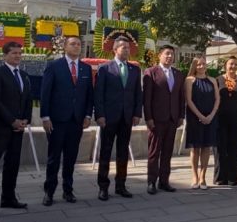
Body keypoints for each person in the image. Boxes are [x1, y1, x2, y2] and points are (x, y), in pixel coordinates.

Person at [0, 41, 32, 216]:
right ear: (5, 56)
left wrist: (25, 119)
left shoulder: (24, 75)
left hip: (18, 129)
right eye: (13, 53)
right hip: (0, 128)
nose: (17, 56)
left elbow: (27, 100)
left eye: (19, 53)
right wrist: (12, 121)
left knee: (12, 164)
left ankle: (8, 198)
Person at [40, 35, 93, 204]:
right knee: (54, 157)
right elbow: (45, 93)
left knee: (71, 158)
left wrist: (87, 115)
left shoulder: (85, 68)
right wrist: (45, 117)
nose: (76, 47)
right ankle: (49, 191)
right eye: (72, 44)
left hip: (76, 121)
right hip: (57, 120)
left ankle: (68, 190)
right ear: (65, 46)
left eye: (78, 44)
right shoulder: (54, 66)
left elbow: (88, 95)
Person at [93, 36, 142, 200]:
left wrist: (137, 113)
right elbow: (98, 94)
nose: (127, 50)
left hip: (127, 117)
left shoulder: (135, 70)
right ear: (115, 49)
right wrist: (99, 115)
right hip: (109, 117)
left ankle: (121, 185)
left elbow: (137, 94)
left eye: (128, 48)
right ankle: (103, 187)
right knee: (106, 152)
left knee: (123, 152)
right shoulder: (104, 68)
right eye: (123, 47)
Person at [142, 44, 185, 194]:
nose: (169, 57)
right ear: (159, 55)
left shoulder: (178, 74)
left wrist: (181, 115)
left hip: (172, 119)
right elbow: (147, 99)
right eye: (167, 54)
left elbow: (181, 97)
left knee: (167, 152)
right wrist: (148, 118)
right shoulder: (151, 72)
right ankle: (151, 182)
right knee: (154, 152)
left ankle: (164, 181)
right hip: (157, 119)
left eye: (172, 54)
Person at [185, 57, 219, 188]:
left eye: (203, 64)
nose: (201, 66)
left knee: (206, 147)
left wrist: (211, 115)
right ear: (194, 66)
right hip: (195, 118)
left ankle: (203, 176)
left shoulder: (212, 80)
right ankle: (194, 176)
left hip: (210, 118)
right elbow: (189, 100)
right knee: (195, 148)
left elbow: (217, 99)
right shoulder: (189, 80)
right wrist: (200, 115)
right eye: (198, 64)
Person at [215, 57, 237, 186]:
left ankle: (232, 178)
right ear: (225, 66)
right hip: (220, 118)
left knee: (234, 148)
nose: (233, 66)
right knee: (220, 148)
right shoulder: (218, 80)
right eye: (230, 64)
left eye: (235, 64)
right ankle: (220, 177)